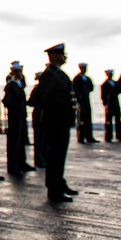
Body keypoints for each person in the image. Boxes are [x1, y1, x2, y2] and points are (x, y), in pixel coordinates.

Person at [28, 44, 79, 202]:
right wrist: (53, 113)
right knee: (54, 156)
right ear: (54, 56)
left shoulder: (58, 73)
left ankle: (59, 182)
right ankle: (54, 189)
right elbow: (41, 97)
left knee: (60, 155)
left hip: (61, 121)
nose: (65, 57)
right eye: (62, 54)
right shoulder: (50, 74)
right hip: (55, 121)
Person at [2, 62, 33, 174]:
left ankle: (21, 162)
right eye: (19, 72)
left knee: (20, 140)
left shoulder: (19, 84)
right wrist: (15, 108)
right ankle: (13, 165)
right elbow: (7, 101)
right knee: (14, 141)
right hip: (15, 117)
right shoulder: (11, 86)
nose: (21, 74)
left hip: (20, 116)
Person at [72, 62, 98, 144]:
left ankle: (89, 136)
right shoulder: (77, 79)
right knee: (81, 120)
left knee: (88, 119)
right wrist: (77, 102)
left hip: (86, 100)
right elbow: (74, 91)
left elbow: (91, 88)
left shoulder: (87, 78)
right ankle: (81, 137)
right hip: (80, 100)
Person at [101, 69, 121, 143]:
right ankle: (108, 136)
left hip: (116, 103)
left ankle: (120, 135)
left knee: (118, 119)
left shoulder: (115, 83)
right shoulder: (104, 84)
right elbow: (103, 95)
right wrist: (105, 104)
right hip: (109, 104)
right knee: (108, 121)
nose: (111, 75)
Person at [30, 71, 46, 168]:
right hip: (38, 114)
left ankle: (42, 158)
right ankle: (39, 159)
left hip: (41, 114)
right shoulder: (38, 89)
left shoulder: (39, 89)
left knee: (42, 138)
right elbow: (31, 102)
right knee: (39, 138)